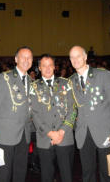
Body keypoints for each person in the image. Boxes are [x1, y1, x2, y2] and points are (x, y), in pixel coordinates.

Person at [69, 46, 110, 182]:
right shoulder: (70, 81)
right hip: (82, 133)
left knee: (108, 172)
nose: (75, 59)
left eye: (78, 56)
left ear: (85, 57)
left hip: (106, 132)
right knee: (87, 173)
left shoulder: (104, 75)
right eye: (72, 57)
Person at [0, 46, 33, 182]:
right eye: (23, 57)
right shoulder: (4, 78)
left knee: (20, 172)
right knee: (4, 174)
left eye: (29, 58)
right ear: (16, 59)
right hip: (5, 135)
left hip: (24, 135)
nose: (26, 60)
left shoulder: (31, 81)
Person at [30, 54, 76, 182]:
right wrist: (50, 133)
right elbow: (35, 114)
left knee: (67, 176)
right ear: (39, 68)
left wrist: (61, 132)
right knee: (46, 176)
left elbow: (73, 110)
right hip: (45, 138)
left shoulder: (66, 83)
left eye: (50, 65)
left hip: (65, 137)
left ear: (55, 67)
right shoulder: (33, 87)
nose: (47, 68)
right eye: (44, 66)